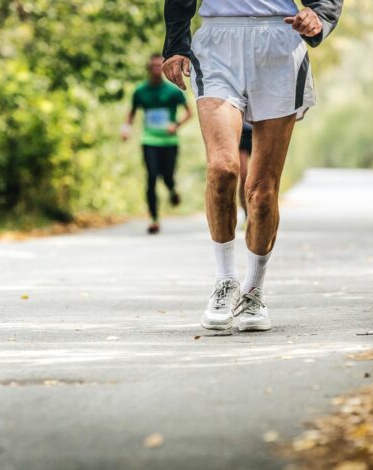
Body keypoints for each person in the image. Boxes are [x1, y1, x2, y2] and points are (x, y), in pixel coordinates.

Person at [163, 0, 343, 331]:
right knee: (223, 168)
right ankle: (225, 281)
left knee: (261, 192)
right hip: (218, 42)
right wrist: (175, 45)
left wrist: (318, 14)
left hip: (279, 40)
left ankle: (254, 291)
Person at [122, 54, 193, 235]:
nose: (155, 69)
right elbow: (131, 113)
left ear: (162, 68)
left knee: (167, 176)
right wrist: (126, 129)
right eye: (152, 66)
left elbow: (189, 113)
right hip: (149, 140)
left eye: (158, 66)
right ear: (148, 68)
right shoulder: (140, 91)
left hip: (169, 141)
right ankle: (154, 219)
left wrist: (175, 125)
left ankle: (172, 190)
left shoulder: (173, 91)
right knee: (152, 177)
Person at [238, 122, 253, 220]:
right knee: (244, 176)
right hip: (242, 134)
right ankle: (246, 213)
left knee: (261, 178)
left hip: (261, 129)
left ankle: (256, 212)